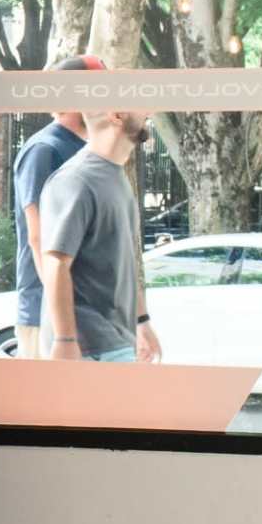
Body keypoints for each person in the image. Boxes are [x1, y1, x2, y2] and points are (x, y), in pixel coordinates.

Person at [34, 106, 161, 365]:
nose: (149, 109)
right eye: (140, 103)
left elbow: (122, 261)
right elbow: (56, 262)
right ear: (117, 115)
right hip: (91, 348)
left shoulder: (115, 175)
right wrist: (65, 341)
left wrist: (142, 322)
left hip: (114, 343)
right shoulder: (76, 179)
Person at [10, 55, 110, 357]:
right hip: (48, 317)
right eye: (99, 89)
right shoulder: (44, 150)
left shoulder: (87, 150)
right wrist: (62, 321)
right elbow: (38, 236)